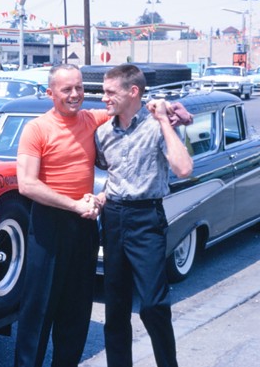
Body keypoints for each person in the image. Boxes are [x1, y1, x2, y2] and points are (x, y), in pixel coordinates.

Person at [95, 64, 193, 367]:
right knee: (116, 308)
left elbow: (183, 168)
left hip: (146, 219)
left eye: (110, 92)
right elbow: (103, 168)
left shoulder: (158, 125)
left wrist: (166, 119)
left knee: (154, 305)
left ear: (133, 91)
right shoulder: (102, 131)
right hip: (113, 218)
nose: (104, 98)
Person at [14, 63, 108, 367]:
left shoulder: (92, 119)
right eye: (67, 89)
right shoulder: (37, 129)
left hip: (84, 227)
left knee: (77, 311)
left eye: (79, 87)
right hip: (49, 226)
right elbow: (27, 185)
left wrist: (166, 107)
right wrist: (74, 205)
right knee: (38, 310)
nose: (75, 94)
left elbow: (129, 106)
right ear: (50, 93)